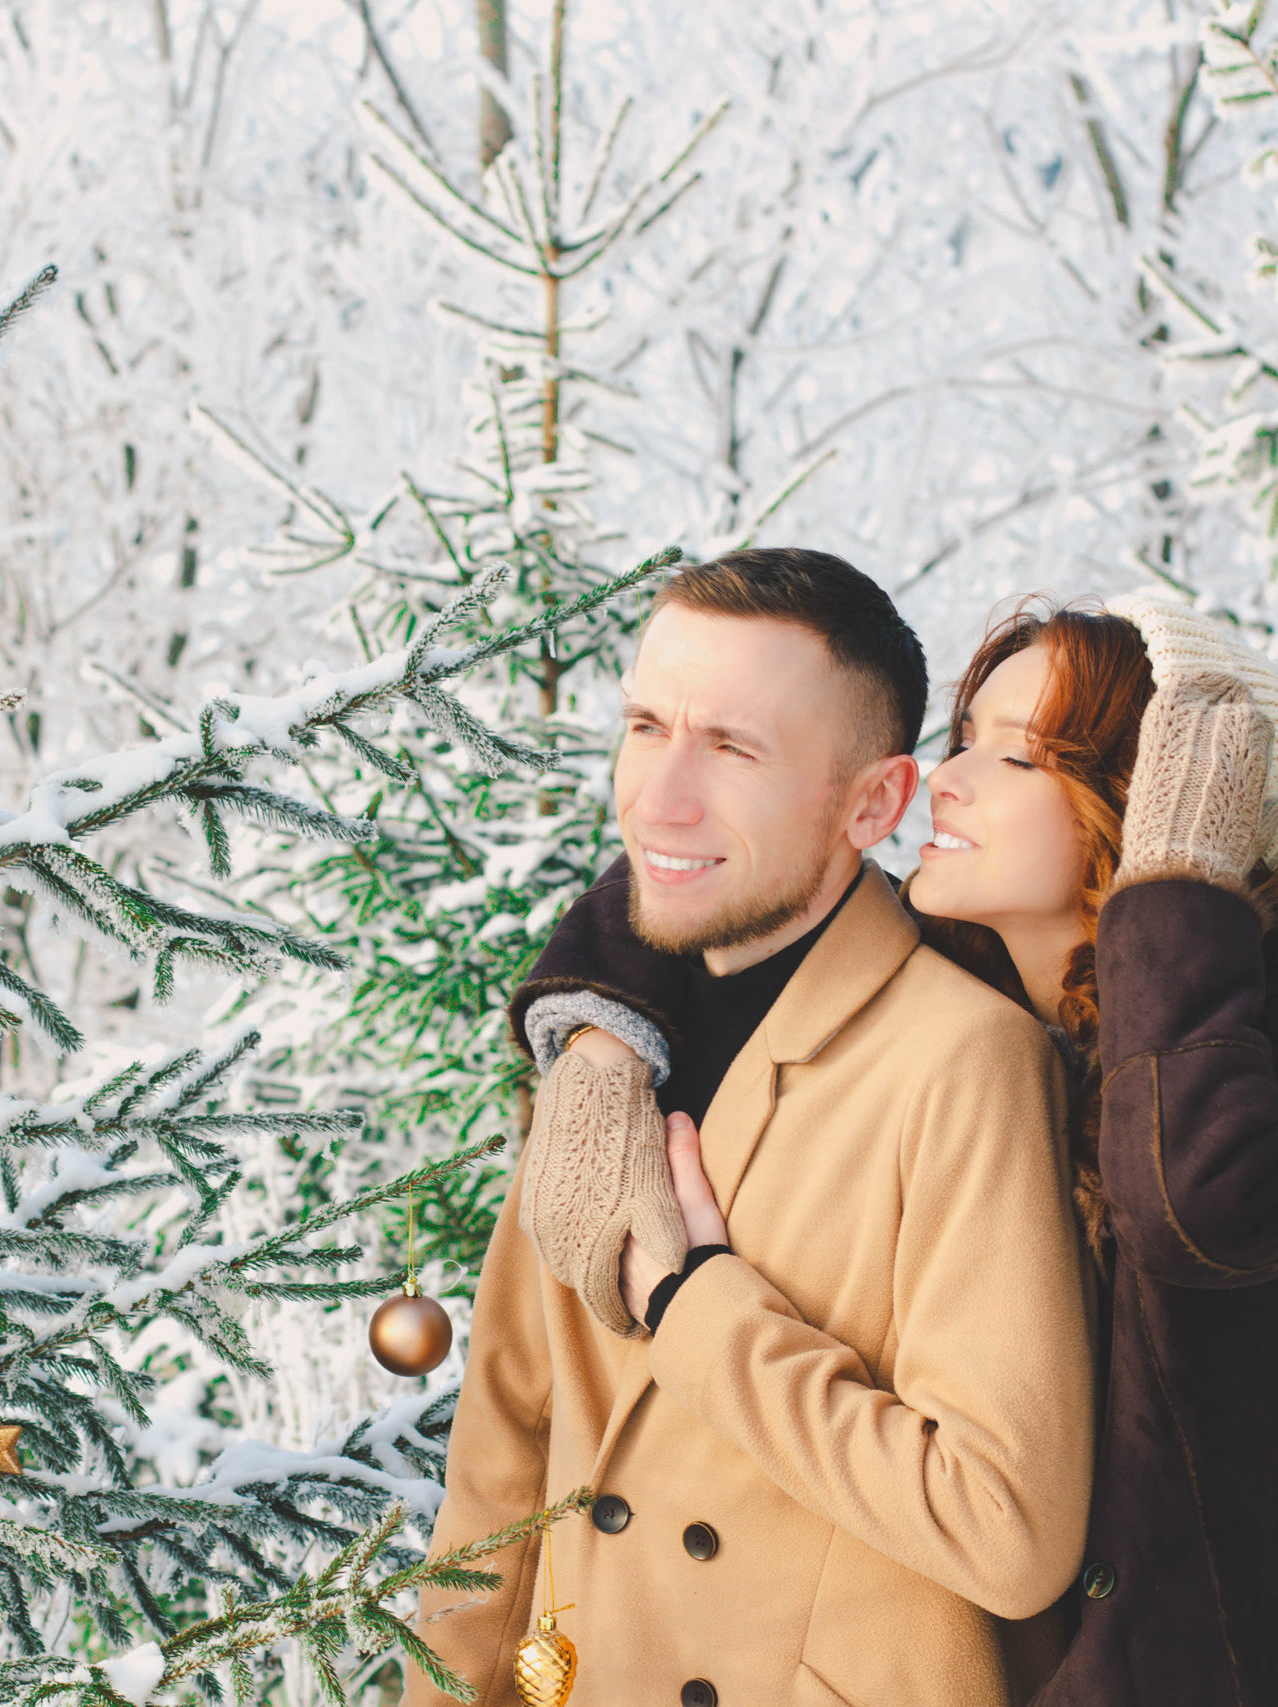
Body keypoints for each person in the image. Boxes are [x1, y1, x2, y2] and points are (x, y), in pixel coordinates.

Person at [524, 590, 1278, 1707]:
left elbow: (1187, 1207)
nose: (946, 778)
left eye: (1022, 758)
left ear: (1156, 810)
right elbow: (738, 871)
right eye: (965, 740)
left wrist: (1178, 885)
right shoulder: (996, 984)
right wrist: (601, 1037)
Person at [410, 550, 1098, 1707]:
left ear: (873, 803)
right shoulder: (601, 1053)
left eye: (731, 749)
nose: (657, 798)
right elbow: (500, 1474)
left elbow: (1008, 1527)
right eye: (645, 726)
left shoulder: (964, 1060)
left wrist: (699, 1304)